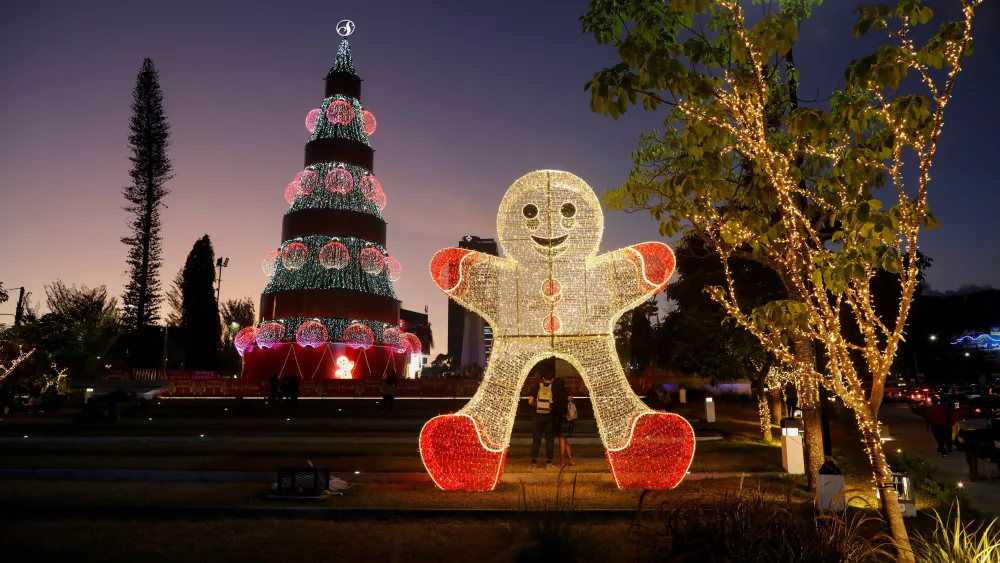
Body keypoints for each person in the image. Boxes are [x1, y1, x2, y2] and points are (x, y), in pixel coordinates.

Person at [528, 371, 560, 469]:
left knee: (536, 440)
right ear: (552, 380)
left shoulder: (537, 387)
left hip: (537, 416)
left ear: (543, 378)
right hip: (550, 417)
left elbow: (530, 401)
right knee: (549, 440)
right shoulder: (554, 389)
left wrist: (536, 406)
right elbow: (556, 403)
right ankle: (549, 463)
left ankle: (534, 463)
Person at [560, 394, 577, 467]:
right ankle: (570, 460)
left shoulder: (560, 402)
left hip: (562, 423)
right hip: (569, 423)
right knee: (566, 441)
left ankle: (562, 460)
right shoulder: (570, 402)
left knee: (562, 441)